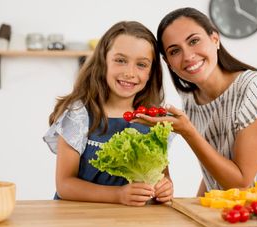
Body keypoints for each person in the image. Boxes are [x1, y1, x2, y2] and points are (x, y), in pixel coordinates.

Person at [134, 7, 257, 194]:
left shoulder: (254, 88)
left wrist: (188, 132)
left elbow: (240, 182)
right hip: (228, 214)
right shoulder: (191, 100)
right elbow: (216, 168)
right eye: (175, 51)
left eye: (194, 41)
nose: (188, 56)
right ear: (168, 62)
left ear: (215, 39)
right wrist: (196, 205)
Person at [43, 21, 173, 206]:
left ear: (152, 72)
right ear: (103, 61)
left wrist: (164, 188)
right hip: (81, 222)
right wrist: (118, 195)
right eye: (120, 60)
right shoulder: (79, 114)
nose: (130, 72)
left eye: (142, 65)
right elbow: (65, 185)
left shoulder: (155, 119)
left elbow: (162, 178)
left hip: (132, 225)